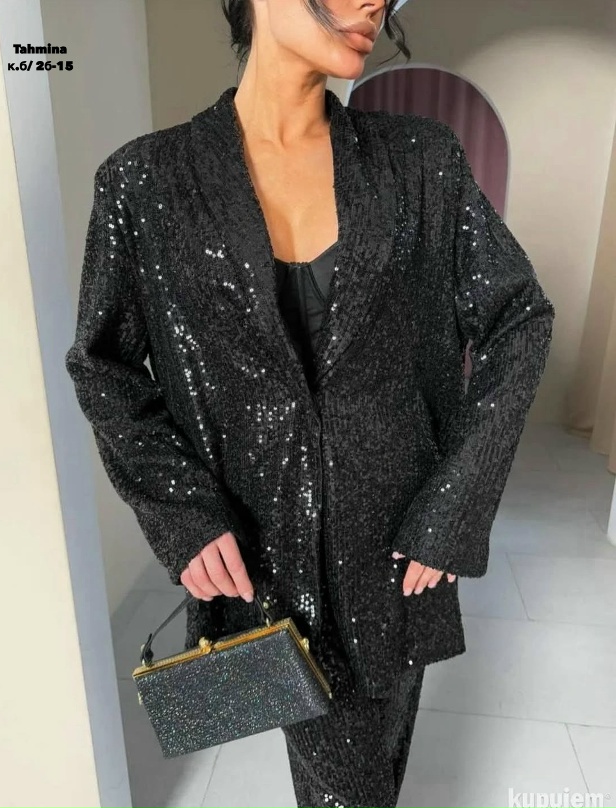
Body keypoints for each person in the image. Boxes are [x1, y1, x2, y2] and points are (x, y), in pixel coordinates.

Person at [65, 1, 556, 805]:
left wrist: (455, 504)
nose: (374, 3)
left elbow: (519, 319)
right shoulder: (146, 183)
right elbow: (104, 365)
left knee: (370, 767)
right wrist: (181, 511)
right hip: (256, 567)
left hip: (396, 560)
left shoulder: (419, 163)